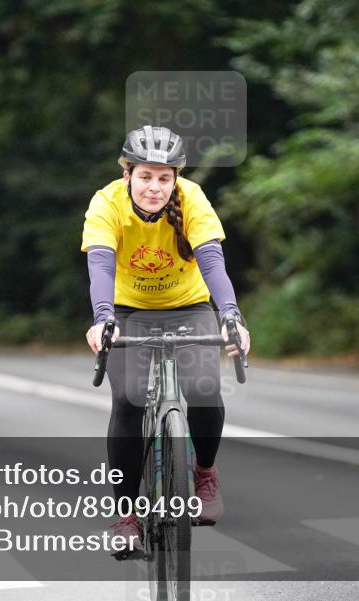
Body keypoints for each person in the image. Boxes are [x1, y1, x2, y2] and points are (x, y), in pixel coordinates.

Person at [81, 125, 251, 556]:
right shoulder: (106, 203)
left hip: (188, 304)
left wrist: (230, 314)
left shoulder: (192, 198)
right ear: (127, 174)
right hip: (127, 311)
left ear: (175, 178)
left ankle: (205, 473)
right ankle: (126, 516)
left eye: (164, 178)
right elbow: (100, 267)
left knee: (206, 390)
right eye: (145, 176)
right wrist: (103, 320)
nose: (154, 187)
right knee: (129, 400)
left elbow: (212, 260)